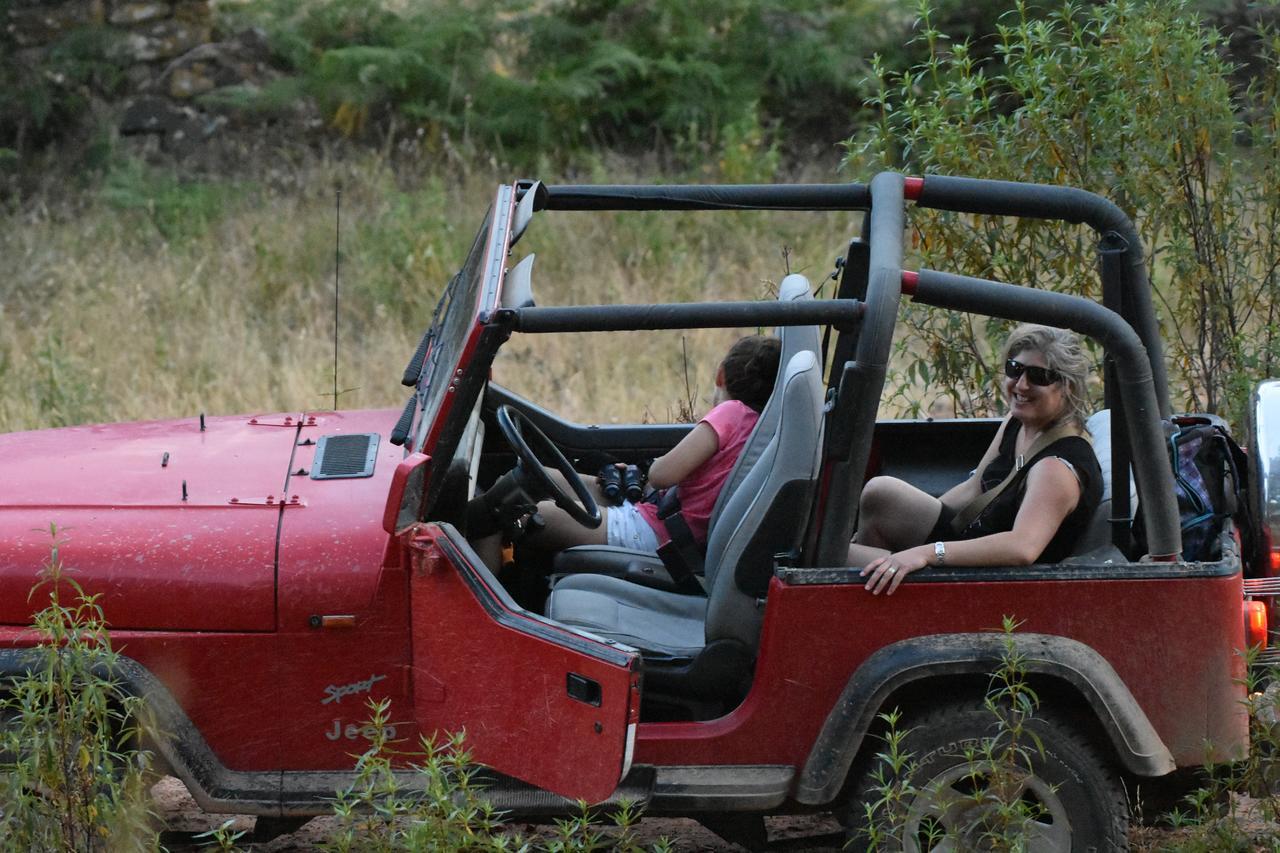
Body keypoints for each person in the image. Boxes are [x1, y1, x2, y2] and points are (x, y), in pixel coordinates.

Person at [850, 323, 1102, 595]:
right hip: (973, 539)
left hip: (994, 580)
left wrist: (927, 553)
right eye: (1015, 370)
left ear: (1068, 387)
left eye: (1039, 377)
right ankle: (874, 589)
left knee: (834, 558)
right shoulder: (1018, 422)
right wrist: (911, 540)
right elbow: (974, 488)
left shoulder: (1055, 468)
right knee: (880, 493)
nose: (1021, 385)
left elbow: (1022, 548)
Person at [530, 334, 781, 553]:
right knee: (534, 478)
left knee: (527, 512)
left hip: (655, 533)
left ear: (720, 375)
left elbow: (661, 475)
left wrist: (648, 471)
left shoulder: (731, 414)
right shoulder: (763, 429)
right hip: (666, 523)